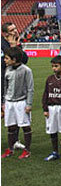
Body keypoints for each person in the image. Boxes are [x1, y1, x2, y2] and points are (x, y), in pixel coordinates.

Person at [1, 46, 33, 159]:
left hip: (21, 102)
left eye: (6, 58)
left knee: (25, 126)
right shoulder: (7, 69)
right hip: (9, 102)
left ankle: (27, 150)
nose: (4, 60)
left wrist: (29, 104)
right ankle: (10, 149)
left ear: (14, 59)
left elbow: (30, 88)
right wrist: (4, 102)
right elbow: (5, 86)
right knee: (11, 126)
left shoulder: (26, 70)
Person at [1, 22, 29, 152]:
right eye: (12, 30)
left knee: (13, 113)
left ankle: (15, 140)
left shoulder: (16, 44)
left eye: (16, 28)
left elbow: (24, 60)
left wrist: (16, 46)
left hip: (14, 84)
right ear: (5, 33)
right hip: (3, 82)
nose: (16, 31)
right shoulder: (2, 44)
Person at [42, 56, 61, 161]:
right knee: (52, 131)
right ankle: (55, 152)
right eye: (52, 66)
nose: (54, 68)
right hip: (51, 108)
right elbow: (45, 94)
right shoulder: (50, 79)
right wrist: (45, 108)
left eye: (56, 66)